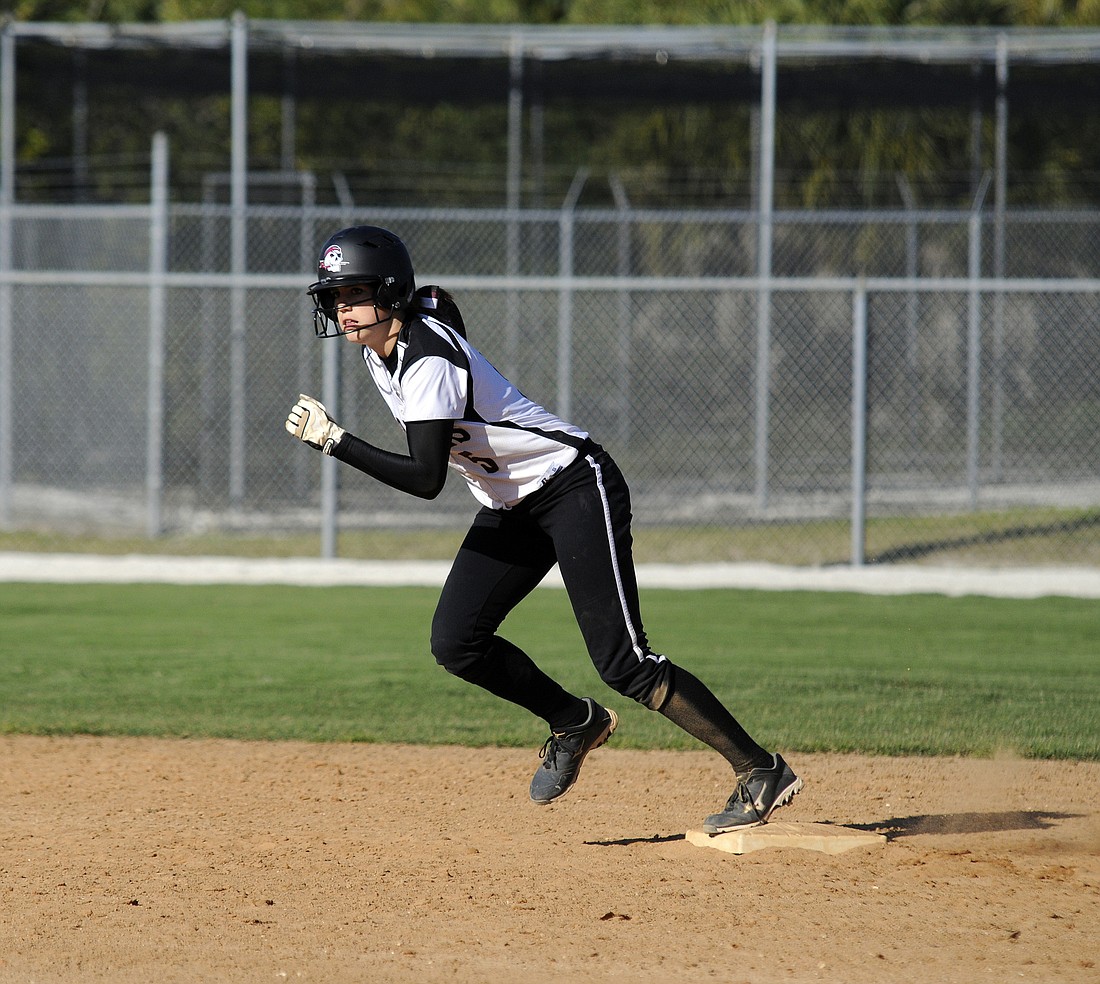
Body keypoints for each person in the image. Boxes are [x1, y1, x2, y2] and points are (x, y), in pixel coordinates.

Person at [284, 225, 801, 833]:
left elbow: (427, 478)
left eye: (354, 293)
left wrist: (335, 440)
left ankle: (759, 768)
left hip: (573, 487)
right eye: (334, 296)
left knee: (625, 664)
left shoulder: (425, 358)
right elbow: (443, 312)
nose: (341, 309)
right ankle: (575, 720)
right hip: (512, 504)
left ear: (390, 291)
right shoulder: (384, 346)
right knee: (456, 642)